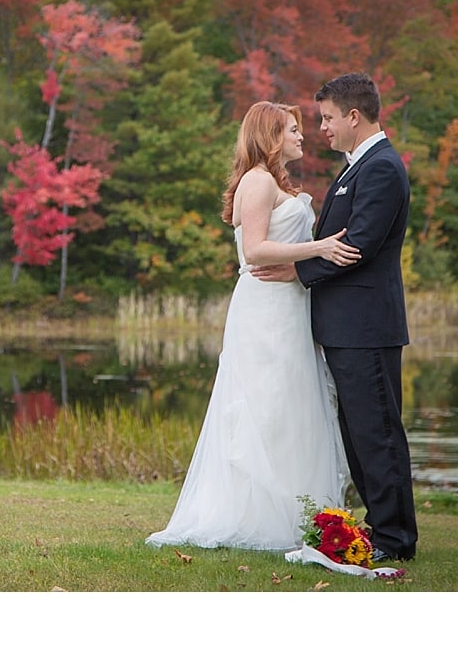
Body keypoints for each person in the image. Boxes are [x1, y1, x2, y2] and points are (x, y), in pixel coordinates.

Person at [146, 101, 358, 552]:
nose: (303, 136)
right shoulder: (258, 182)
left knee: (290, 404)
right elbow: (256, 251)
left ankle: (295, 512)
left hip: (288, 306)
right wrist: (319, 248)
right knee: (267, 403)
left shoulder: (271, 181)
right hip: (266, 310)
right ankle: (260, 517)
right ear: (270, 135)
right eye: (293, 129)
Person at [252, 73, 418, 561]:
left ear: (353, 116)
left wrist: (295, 271)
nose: (321, 128)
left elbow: (359, 245)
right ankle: (379, 528)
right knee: (358, 432)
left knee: (378, 432)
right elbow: (341, 245)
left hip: (366, 326)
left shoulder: (382, 169)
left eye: (326, 118)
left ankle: (394, 539)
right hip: (348, 327)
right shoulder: (355, 169)